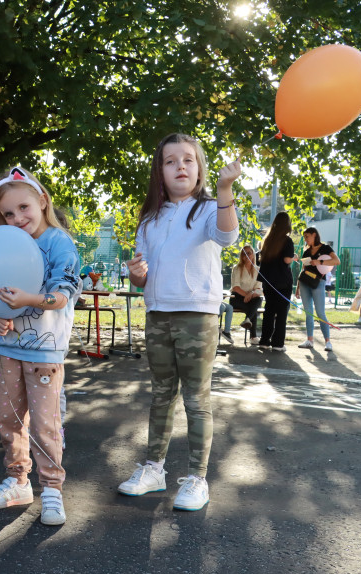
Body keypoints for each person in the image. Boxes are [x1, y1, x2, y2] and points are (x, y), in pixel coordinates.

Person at [116, 133, 241, 512]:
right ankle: (154, 469)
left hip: (197, 314)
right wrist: (137, 273)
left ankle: (197, 479)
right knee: (160, 395)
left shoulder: (208, 208)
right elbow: (141, 277)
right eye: (170, 161)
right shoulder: (150, 217)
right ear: (160, 172)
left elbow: (228, 235)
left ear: (200, 168)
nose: (180, 166)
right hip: (157, 313)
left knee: (196, 398)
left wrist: (225, 189)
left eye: (188, 159)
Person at [0, 166, 81, 526]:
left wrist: (28, 299)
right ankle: (17, 480)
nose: (17, 217)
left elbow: (62, 295)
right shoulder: (7, 243)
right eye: (8, 213)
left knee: (44, 424)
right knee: (8, 419)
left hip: (45, 352)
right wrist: (3, 314)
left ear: (42, 201)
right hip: (8, 347)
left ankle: (51, 489)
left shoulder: (58, 242)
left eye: (24, 208)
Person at [256, 212, 297, 352]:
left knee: (269, 310)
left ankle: (264, 340)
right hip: (282, 281)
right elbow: (286, 260)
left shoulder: (267, 239)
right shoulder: (286, 241)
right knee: (281, 313)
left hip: (268, 280)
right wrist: (293, 257)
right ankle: (278, 343)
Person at [296, 227, 340, 351]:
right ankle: (309, 340)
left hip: (318, 282)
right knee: (308, 312)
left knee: (320, 313)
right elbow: (303, 269)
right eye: (304, 237)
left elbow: (337, 261)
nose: (305, 239)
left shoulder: (325, 248)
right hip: (305, 282)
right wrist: (298, 288)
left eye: (307, 236)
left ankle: (328, 342)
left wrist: (319, 262)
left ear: (314, 235)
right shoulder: (306, 251)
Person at [221, 244, 262, 345]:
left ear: (253, 254)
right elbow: (235, 287)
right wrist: (247, 295)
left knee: (258, 300)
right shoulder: (237, 268)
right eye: (244, 253)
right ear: (241, 256)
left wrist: (251, 294)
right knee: (253, 307)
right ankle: (253, 336)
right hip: (237, 298)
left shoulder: (257, 269)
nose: (247, 255)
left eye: (249, 253)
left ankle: (247, 320)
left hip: (252, 298)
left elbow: (258, 287)